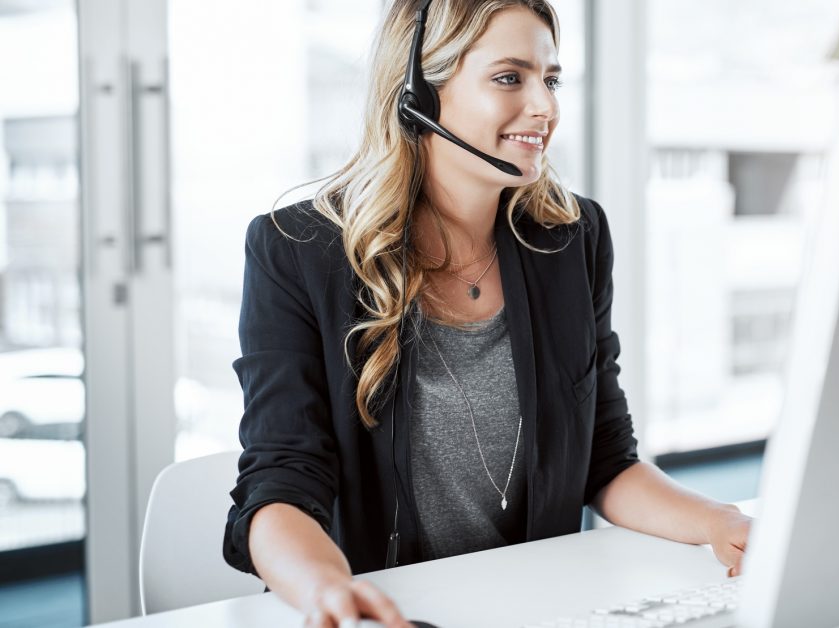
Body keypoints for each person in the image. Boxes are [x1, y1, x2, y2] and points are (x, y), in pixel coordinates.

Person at [222, 1, 753, 626]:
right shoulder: (299, 252)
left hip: (535, 606)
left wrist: (722, 522)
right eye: (510, 77)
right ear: (418, 92)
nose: (545, 107)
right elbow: (280, 485)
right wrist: (326, 591)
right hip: (386, 613)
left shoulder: (569, 238)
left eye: (550, 79)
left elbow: (605, 460)